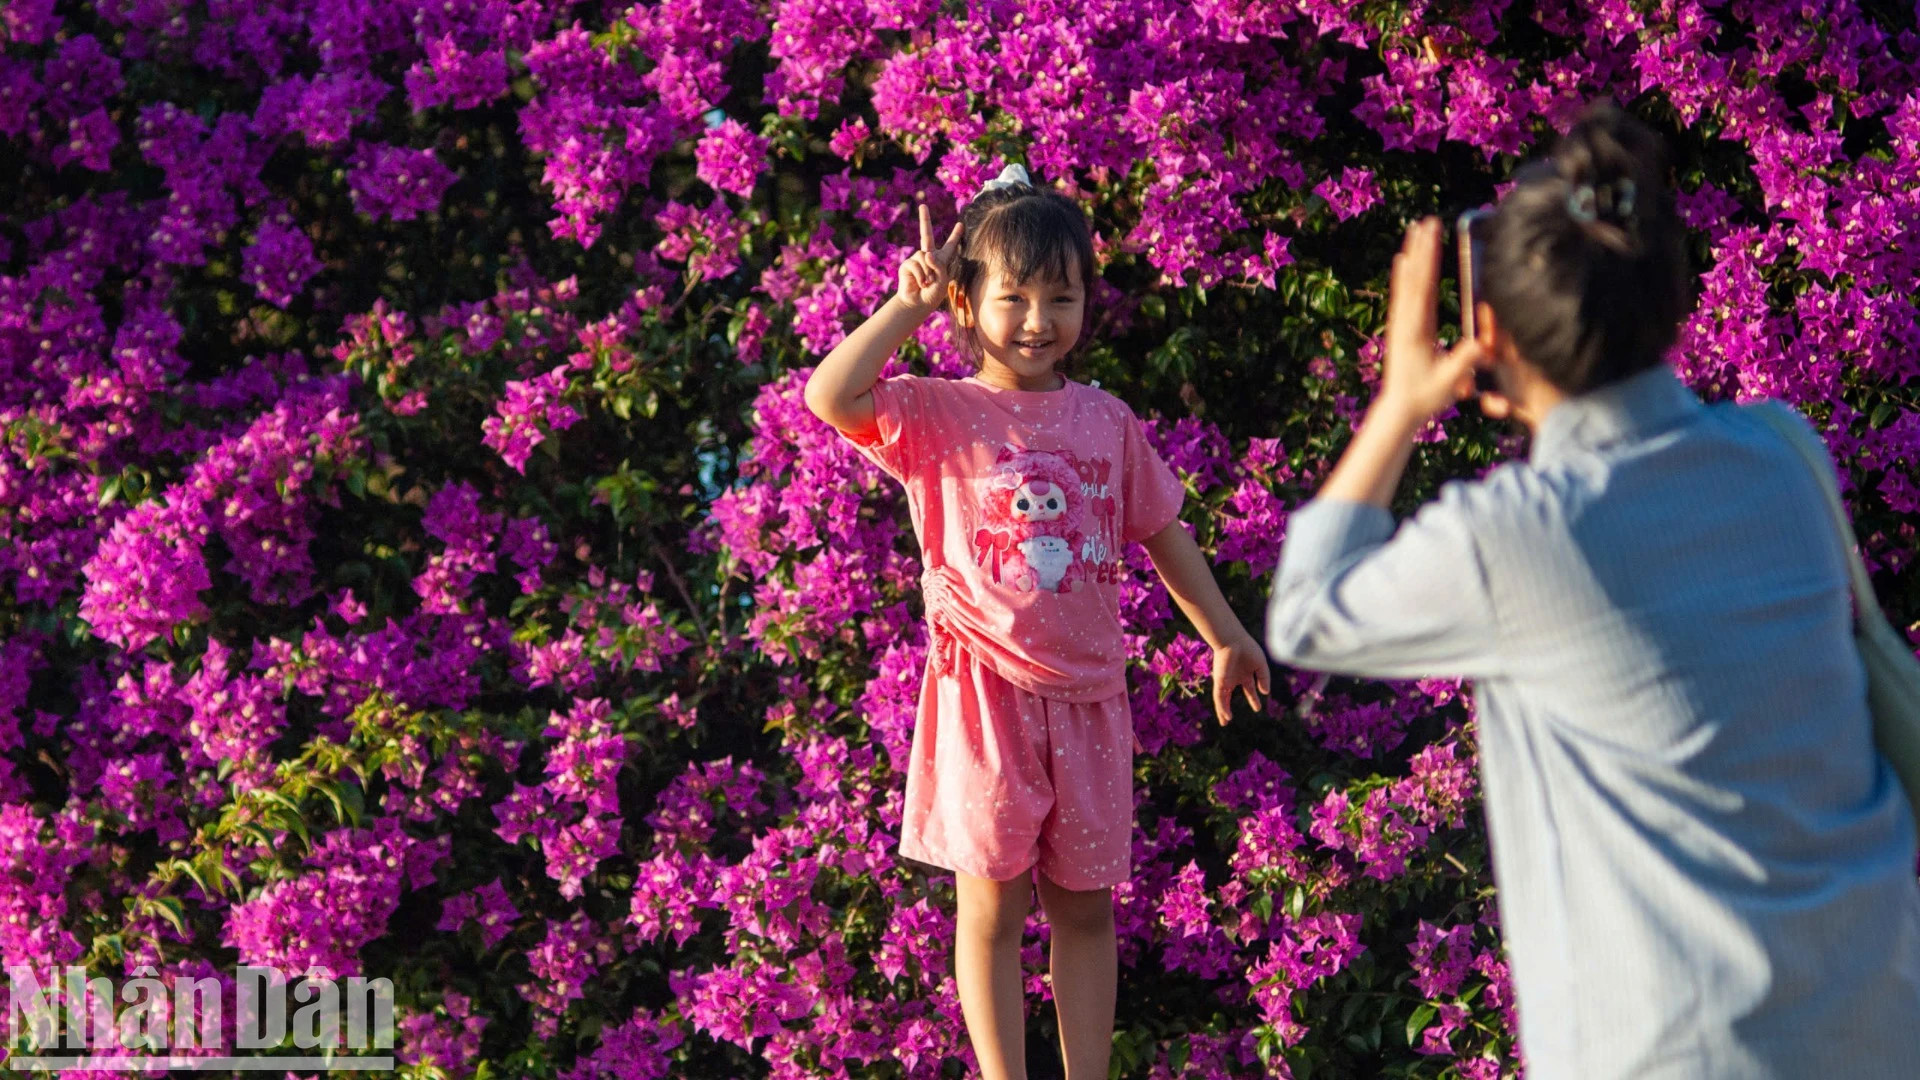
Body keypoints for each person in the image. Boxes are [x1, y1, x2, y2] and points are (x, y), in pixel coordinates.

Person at [1265, 102, 1920, 1078]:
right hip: (1875, 1010)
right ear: (1668, 298)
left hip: (1685, 1046)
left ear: (1492, 330)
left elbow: (1305, 612)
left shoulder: (1519, 533)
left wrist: (1401, 402)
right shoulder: (1784, 452)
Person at [805, 165, 1271, 1080]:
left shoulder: (1105, 420)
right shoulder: (936, 411)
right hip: (982, 697)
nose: (1037, 319)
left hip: (1091, 698)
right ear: (966, 304)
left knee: (1086, 910)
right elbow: (831, 395)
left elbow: (1162, 535)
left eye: (1062, 296)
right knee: (991, 914)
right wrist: (905, 307)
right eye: (1012, 296)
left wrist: (1225, 634)